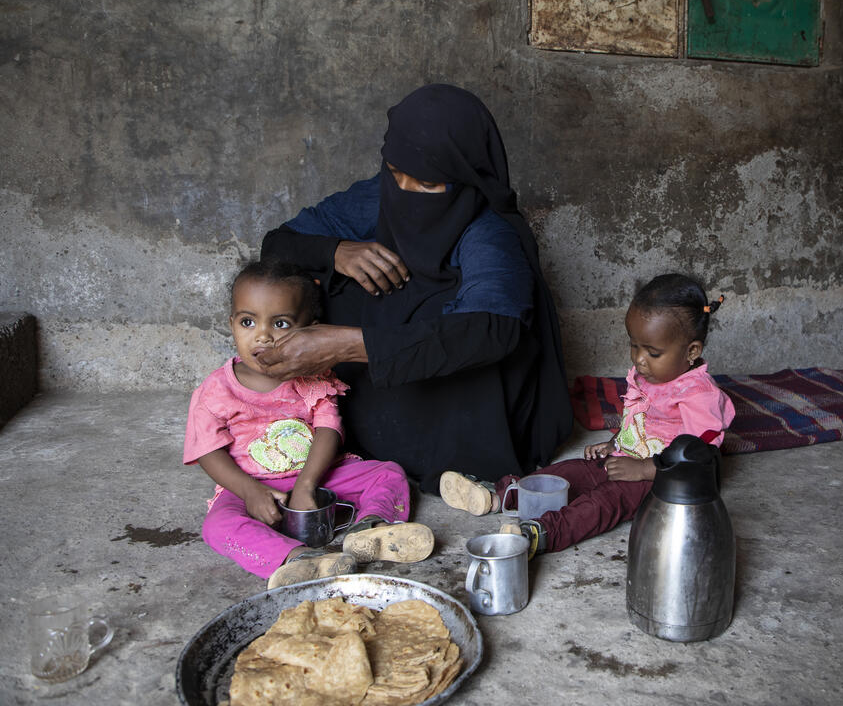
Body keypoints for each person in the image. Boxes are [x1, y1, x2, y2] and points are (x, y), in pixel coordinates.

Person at [258, 84, 573, 493]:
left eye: (427, 185)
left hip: (462, 421)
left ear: (464, 177)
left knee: (459, 331)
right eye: (395, 175)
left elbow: (493, 330)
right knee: (325, 281)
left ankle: (446, 472)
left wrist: (350, 345)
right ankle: (339, 435)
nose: (405, 193)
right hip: (382, 404)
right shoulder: (380, 194)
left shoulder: (488, 230)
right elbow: (278, 244)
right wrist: (337, 251)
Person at [440, 273, 736, 557]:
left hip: (659, 482)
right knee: (568, 473)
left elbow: (699, 458)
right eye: (634, 345)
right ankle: (501, 496)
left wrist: (645, 469)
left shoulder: (698, 395)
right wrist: (616, 444)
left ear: (692, 350)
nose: (639, 359)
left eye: (652, 352)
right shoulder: (650, 376)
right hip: (622, 461)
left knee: (602, 503)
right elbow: (640, 420)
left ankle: (541, 534)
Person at [183, 258, 433, 589]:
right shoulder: (216, 390)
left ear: (309, 330)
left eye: (281, 324)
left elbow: (328, 430)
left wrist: (306, 484)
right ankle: (299, 560)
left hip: (317, 474)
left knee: (388, 472)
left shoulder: (312, 378)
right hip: (250, 484)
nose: (263, 337)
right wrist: (250, 491)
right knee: (218, 526)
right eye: (247, 322)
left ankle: (372, 529)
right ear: (231, 325)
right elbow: (208, 452)